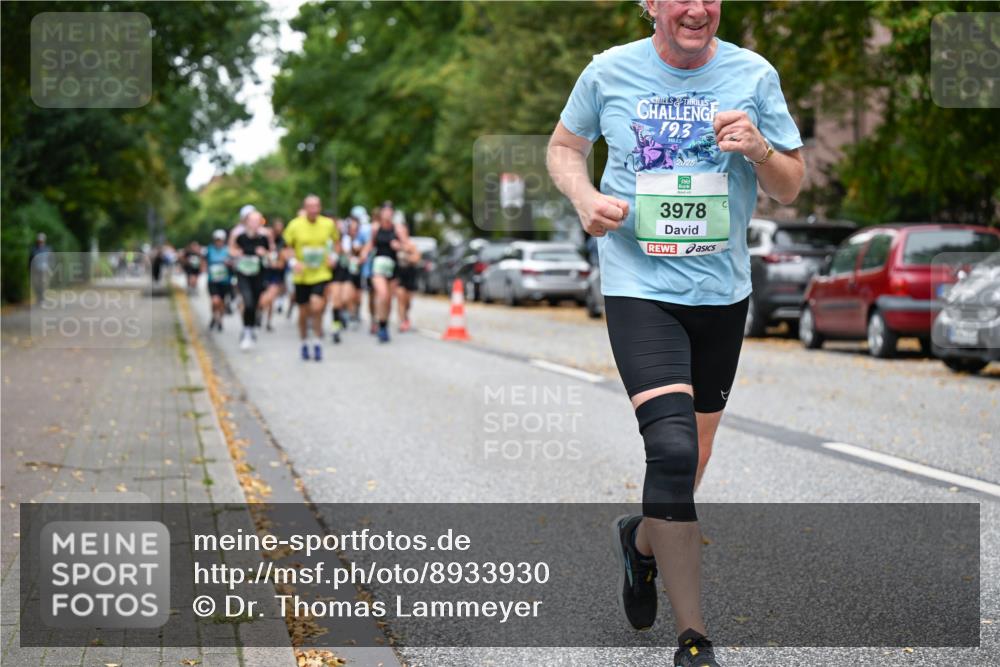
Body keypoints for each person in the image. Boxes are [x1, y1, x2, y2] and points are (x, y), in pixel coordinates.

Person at [547, 1, 804, 665]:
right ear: (652, 6)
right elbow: (564, 148)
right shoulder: (608, 73)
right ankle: (694, 637)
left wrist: (760, 148)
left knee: (687, 462)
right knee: (669, 445)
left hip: (721, 293)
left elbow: (792, 186)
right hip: (639, 285)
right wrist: (583, 199)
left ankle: (640, 543)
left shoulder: (753, 75)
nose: (697, 7)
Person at [282, 195, 339, 361]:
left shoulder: (328, 224)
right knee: (303, 312)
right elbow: (286, 247)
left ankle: (318, 342)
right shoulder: (295, 225)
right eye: (310, 206)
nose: (313, 210)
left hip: (321, 273)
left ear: (320, 208)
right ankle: (304, 342)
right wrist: (293, 262)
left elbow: (336, 243)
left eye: (316, 206)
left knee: (317, 306)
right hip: (302, 275)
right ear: (305, 208)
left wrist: (333, 257)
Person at [359, 202, 411, 343]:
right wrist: (364, 253)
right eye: (385, 211)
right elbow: (370, 244)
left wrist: (399, 246)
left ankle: (384, 324)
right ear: (381, 213)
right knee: (382, 294)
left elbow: (408, 246)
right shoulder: (376, 228)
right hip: (378, 266)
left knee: (388, 299)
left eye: (390, 211)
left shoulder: (398, 229)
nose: (387, 213)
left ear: (392, 213)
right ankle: (379, 324)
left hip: (392, 267)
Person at [229, 211, 273, 351]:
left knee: (255, 303)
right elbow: (231, 250)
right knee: (247, 302)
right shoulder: (239, 237)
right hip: (243, 274)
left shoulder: (264, 237)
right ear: (246, 222)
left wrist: (265, 253)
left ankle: (251, 327)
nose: (254, 223)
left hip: (258, 275)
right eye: (252, 220)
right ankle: (247, 331)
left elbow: (272, 256)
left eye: (257, 221)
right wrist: (237, 253)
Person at [325, 217, 354, 344]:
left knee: (346, 298)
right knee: (336, 300)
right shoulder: (327, 240)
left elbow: (349, 253)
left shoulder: (346, 239)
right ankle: (335, 327)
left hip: (345, 271)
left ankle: (342, 314)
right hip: (334, 273)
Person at [260, 217, 287, 331]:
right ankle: (259, 313)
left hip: (275, 275)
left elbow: (281, 262)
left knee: (270, 299)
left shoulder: (282, 242)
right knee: (261, 299)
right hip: (261, 274)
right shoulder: (262, 240)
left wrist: (273, 261)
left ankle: (269, 322)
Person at [394, 224, 420, 333]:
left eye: (402, 232)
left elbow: (417, 258)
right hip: (399, 274)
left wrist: (406, 254)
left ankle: (406, 316)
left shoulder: (411, 245)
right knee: (400, 298)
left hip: (410, 274)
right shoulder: (394, 244)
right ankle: (402, 321)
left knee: (408, 301)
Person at [205, 229, 232, 331]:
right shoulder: (210, 249)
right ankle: (214, 316)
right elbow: (205, 261)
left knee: (222, 302)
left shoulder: (227, 250)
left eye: (220, 240)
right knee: (215, 301)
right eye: (217, 240)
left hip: (225, 280)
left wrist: (228, 263)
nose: (218, 242)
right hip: (213, 280)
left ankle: (220, 319)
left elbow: (233, 263)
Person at [28, 233, 53, 303]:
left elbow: (51, 260)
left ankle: (42, 298)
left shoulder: (48, 249)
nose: (40, 242)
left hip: (45, 270)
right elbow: (30, 260)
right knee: (36, 284)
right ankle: (39, 298)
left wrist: (51, 268)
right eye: (39, 241)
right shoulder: (33, 250)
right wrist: (29, 269)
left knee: (43, 284)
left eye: (41, 241)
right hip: (35, 269)